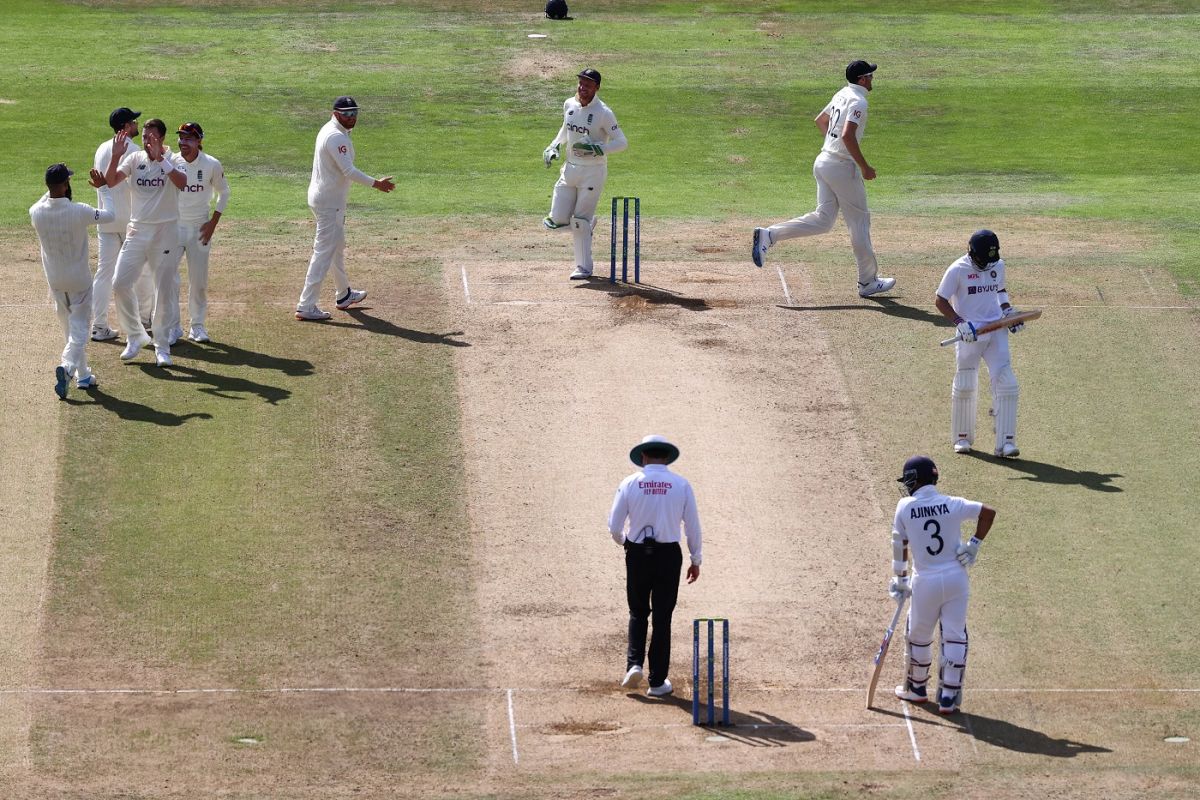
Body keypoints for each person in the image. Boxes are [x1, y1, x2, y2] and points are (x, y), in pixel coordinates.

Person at [751, 60, 895, 298]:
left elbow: (821, 121)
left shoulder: (842, 93)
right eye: (870, 76)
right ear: (862, 80)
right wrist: (864, 166)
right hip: (841, 167)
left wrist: (832, 147)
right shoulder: (859, 101)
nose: (872, 80)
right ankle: (868, 281)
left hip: (823, 161)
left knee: (823, 220)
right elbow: (848, 135)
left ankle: (770, 235)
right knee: (859, 222)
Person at [889, 455, 996, 715]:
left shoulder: (905, 506)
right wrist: (974, 544)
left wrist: (901, 580)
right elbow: (988, 513)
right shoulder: (952, 504)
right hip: (957, 579)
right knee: (955, 636)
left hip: (925, 581)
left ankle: (916, 689)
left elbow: (899, 544)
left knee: (918, 635)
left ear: (915, 479)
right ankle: (948, 696)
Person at [607, 435, 702, 698]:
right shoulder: (681, 485)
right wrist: (696, 559)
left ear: (644, 457)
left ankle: (634, 664)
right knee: (663, 618)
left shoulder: (629, 483)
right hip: (669, 555)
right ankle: (657, 681)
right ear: (666, 458)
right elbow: (692, 526)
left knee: (638, 611)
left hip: (638, 552)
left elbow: (614, 527)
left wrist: (627, 543)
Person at [295, 96, 395, 321]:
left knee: (336, 248)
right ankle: (306, 305)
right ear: (336, 114)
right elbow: (348, 171)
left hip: (328, 200)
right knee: (323, 254)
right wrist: (376, 184)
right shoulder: (335, 136)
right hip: (329, 204)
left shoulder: (334, 130)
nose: (352, 118)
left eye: (354, 113)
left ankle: (343, 295)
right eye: (347, 114)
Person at [103, 117, 187, 366]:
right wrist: (116, 155)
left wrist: (161, 159)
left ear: (161, 138)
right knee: (120, 283)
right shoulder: (135, 159)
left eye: (151, 137)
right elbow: (110, 181)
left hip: (166, 232)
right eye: (144, 137)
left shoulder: (174, 159)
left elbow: (182, 183)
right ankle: (136, 336)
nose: (146, 141)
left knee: (163, 290)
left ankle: (162, 347)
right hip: (137, 230)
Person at [935, 229, 1026, 458]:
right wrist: (960, 322)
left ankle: (1005, 442)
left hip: (996, 331)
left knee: (1007, 383)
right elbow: (940, 300)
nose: (986, 265)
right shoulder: (957, 269)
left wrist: (1009, 313)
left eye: (990, 261)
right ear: (971, 251)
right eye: (982, 260)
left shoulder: (997, 265)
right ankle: (962, 438)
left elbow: (1000, 290)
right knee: (965, 382)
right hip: (971, 334)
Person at [30, 163, 115, 398]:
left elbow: (47, 198)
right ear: (66, 184)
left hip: (55, 281)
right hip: (79, 281)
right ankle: (68, 367)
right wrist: (104, 188)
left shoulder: (36, 212)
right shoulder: (80, 211)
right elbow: (111, 215)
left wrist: (55, 188)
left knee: (69, 328)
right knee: (78, 331)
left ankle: (84, 375)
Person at [542, 68, 628, 280]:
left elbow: (622, 143)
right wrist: (553, 146)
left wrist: (598, 148)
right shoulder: (569, 104)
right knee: (557, 219)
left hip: (592, 173)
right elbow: (565, 129)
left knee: (579, 221)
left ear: (596, 88)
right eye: (581, 84)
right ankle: (586, 227)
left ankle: (584, 267)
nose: (583, 88)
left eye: (588, 85)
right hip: (570, 169)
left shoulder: (603, 113)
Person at [91, 107, 154, 342]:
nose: (137, 125)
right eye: (134, 122)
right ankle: (141, 324)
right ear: (126, 127)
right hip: (130, 223)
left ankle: (99, 326)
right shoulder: (135, 151)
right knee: (141, 273)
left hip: (106, 220)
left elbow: (104, 182)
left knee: (104, 273)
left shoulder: (101, 148)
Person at [165, 122, 230, 343]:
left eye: (189, 138)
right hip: (174, 228)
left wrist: (213, 222)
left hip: (200, 229)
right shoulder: (171, 161)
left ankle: (197, 326)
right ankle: (173, 327)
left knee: (199, 280)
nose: (183, 143)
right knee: (168, 279)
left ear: (199, 141)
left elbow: (224, 192)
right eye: (181, 138)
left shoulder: (211, 164)